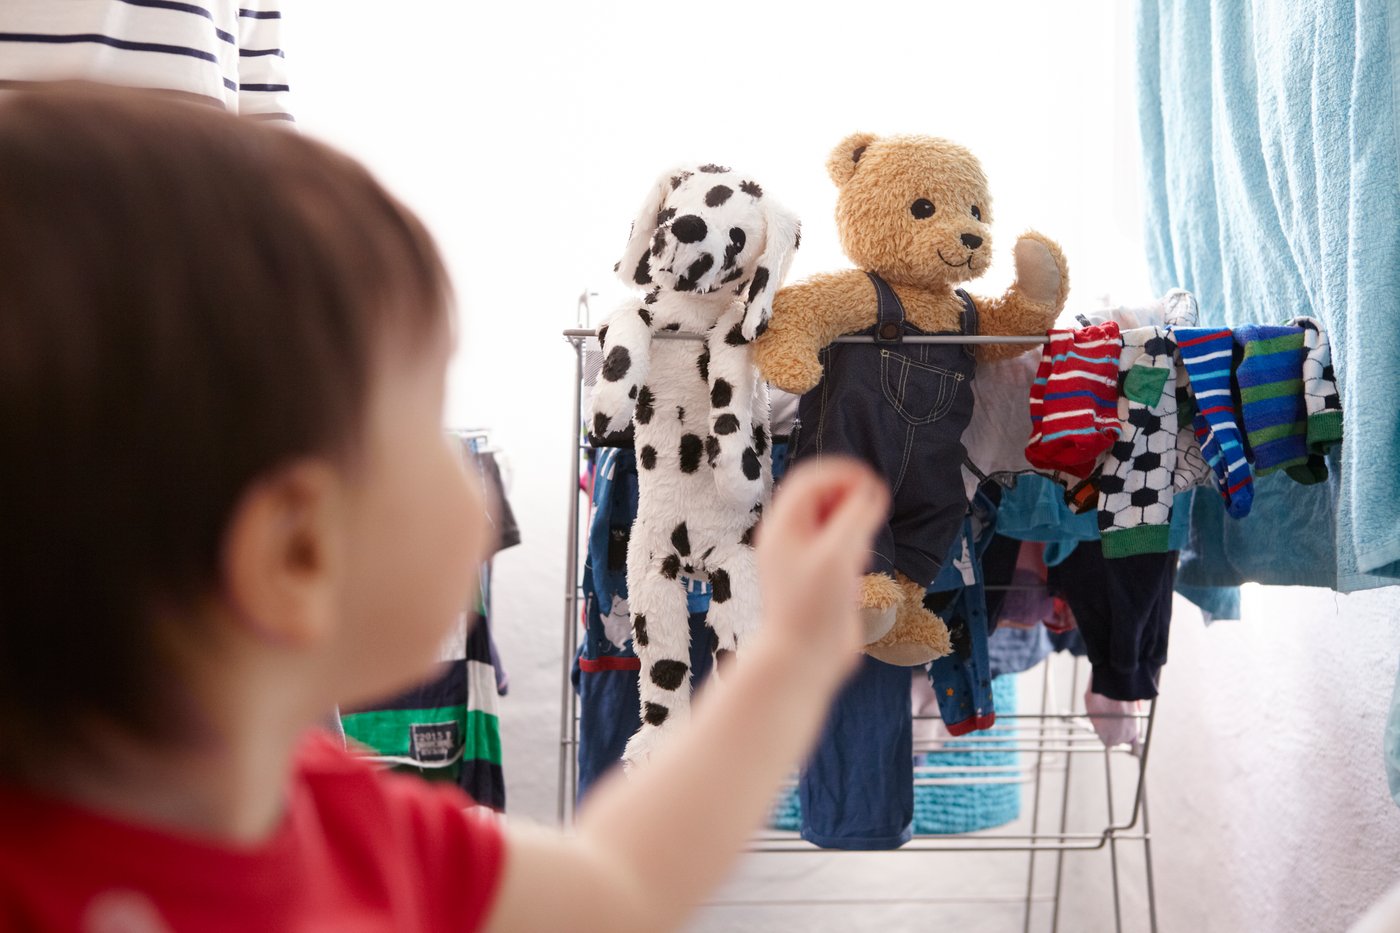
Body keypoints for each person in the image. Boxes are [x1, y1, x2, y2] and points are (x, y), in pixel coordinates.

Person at [0, 82, 890, 932]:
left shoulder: (356, 823)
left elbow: (619, 887)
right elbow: (621, 890)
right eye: (427, 418)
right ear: (298, 552)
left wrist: (782, 665)